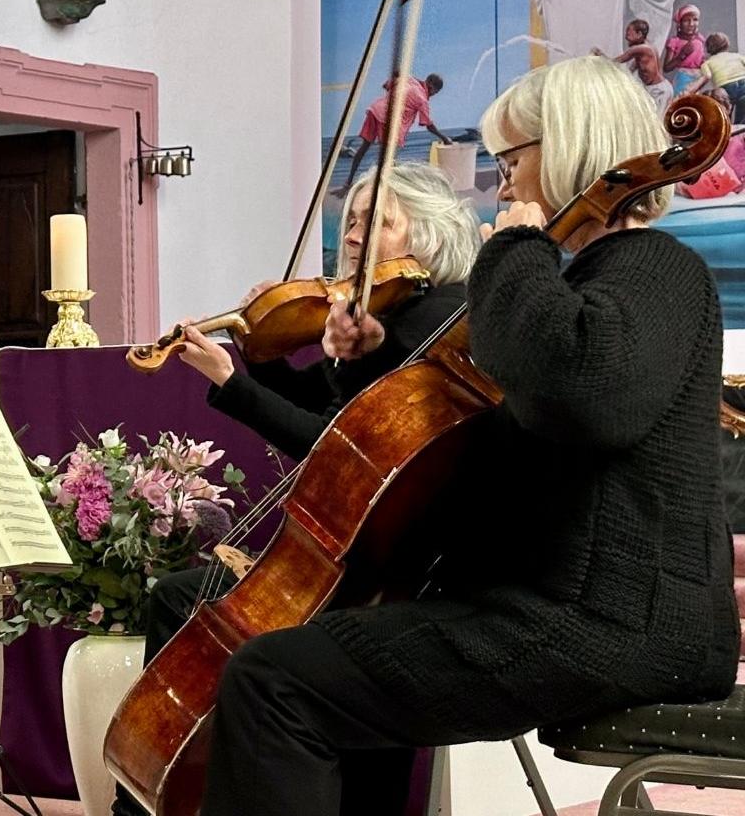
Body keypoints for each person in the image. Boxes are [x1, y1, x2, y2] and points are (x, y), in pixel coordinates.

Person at [198, 54, 739, 815]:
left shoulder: (653, 269)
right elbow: (487, 447)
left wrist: (516, 251)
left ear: (570, 146)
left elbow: (582, 398)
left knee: (275, 681)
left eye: (512, 160)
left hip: (613, 623)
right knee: (323, 663)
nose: (503, 184)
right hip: (571, 609)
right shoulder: (589, 283)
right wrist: (367, 362)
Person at [109, 161, 480, 816]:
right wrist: (256, 356)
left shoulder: (434, 321)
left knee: (196, 608)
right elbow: (319, 398)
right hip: (356, 558)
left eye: (378, 221)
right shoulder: (385, 315)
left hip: (389, 569)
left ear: (428, 237)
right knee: (179, 599)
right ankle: (180, 790)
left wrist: (234, 383)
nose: (355, 234)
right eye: (354, 218)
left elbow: (338, 445)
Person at [343, 73, 452, 193]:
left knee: (364, 147)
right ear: (430, 85)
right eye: (435, 91)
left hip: (375, 110)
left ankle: (348, 182)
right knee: (389, 158)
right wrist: (444, 138)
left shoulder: (408, 79)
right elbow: (429, 125)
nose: (433, 94)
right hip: (389, 121)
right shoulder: (422, 99)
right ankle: (382, 189)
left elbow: (386, 85)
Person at [594, 17, 670, 112]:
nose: (626, 38)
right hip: (654, 89)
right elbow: (632, 69)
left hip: (658, 91)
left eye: (629, 34)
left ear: (639, 34)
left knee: (654, 119)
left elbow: (615, 62)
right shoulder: (646, 48)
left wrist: (600, 55)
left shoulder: (640, 49)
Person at [687, 31, 745, 106]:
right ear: (726, 44)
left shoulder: (707, 63)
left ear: (708, 48)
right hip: (743, 82)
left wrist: (693, 91)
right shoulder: (737, 56)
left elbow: (706, 77)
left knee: (724, 107)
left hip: (725, 87)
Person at [665, 4, 707, 93]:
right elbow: (666, 68)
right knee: (682, 98)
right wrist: (682, 54)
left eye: (695, 20)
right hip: (683, 79)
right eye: (686, 20)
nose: (691, 24)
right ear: (679, 24)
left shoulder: (700, 39)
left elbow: (701, 60)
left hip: (699, 78)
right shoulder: (674, 41)